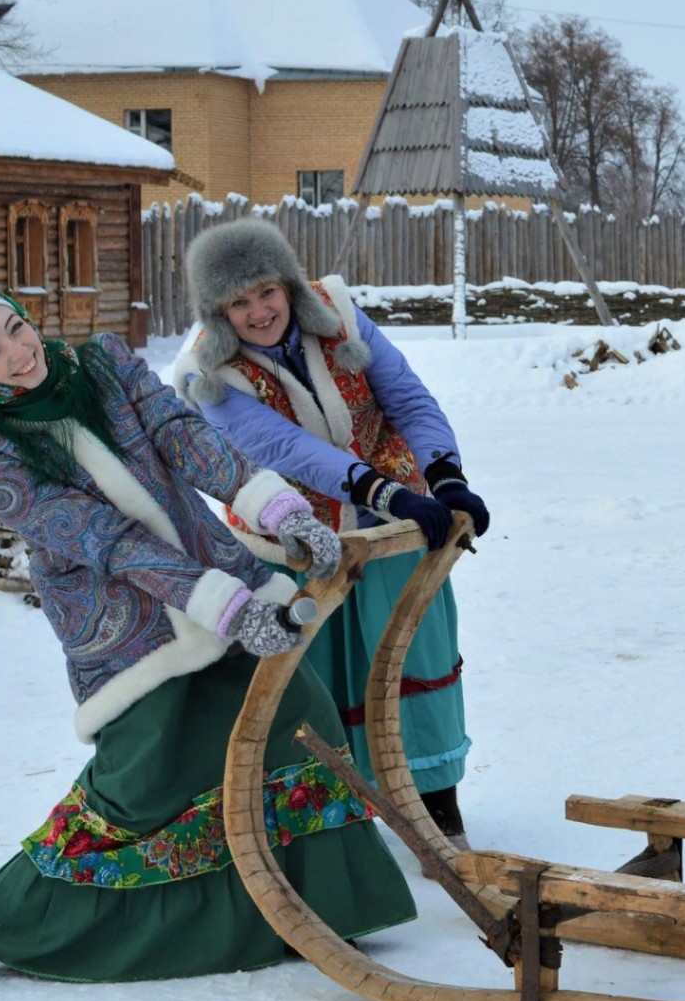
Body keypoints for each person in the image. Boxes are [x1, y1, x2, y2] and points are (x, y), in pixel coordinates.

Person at [0, 287, 416, 1001]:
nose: (17, 353)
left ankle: (327, 908)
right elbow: (104, 539)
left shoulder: (105, 363)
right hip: (127, 629)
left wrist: (276, 508)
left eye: (15, 328)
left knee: (301, 725)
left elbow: (187, 437)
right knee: (138, 785)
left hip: (219, 573)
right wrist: (227, 607)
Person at [170, 220, 486, 855]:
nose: (259, 311)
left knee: (414, 656)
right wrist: (382, 491)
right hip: (297, 544)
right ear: (218, 311)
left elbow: (405, 395)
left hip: (397, 530)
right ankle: (337, 814)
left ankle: (434, 802)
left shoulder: (337, 312)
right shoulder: (209, 375)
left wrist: (445, 476)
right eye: (239, 302)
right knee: (320, 676)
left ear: (286, 283)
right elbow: (288, 450)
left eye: (266, 291)